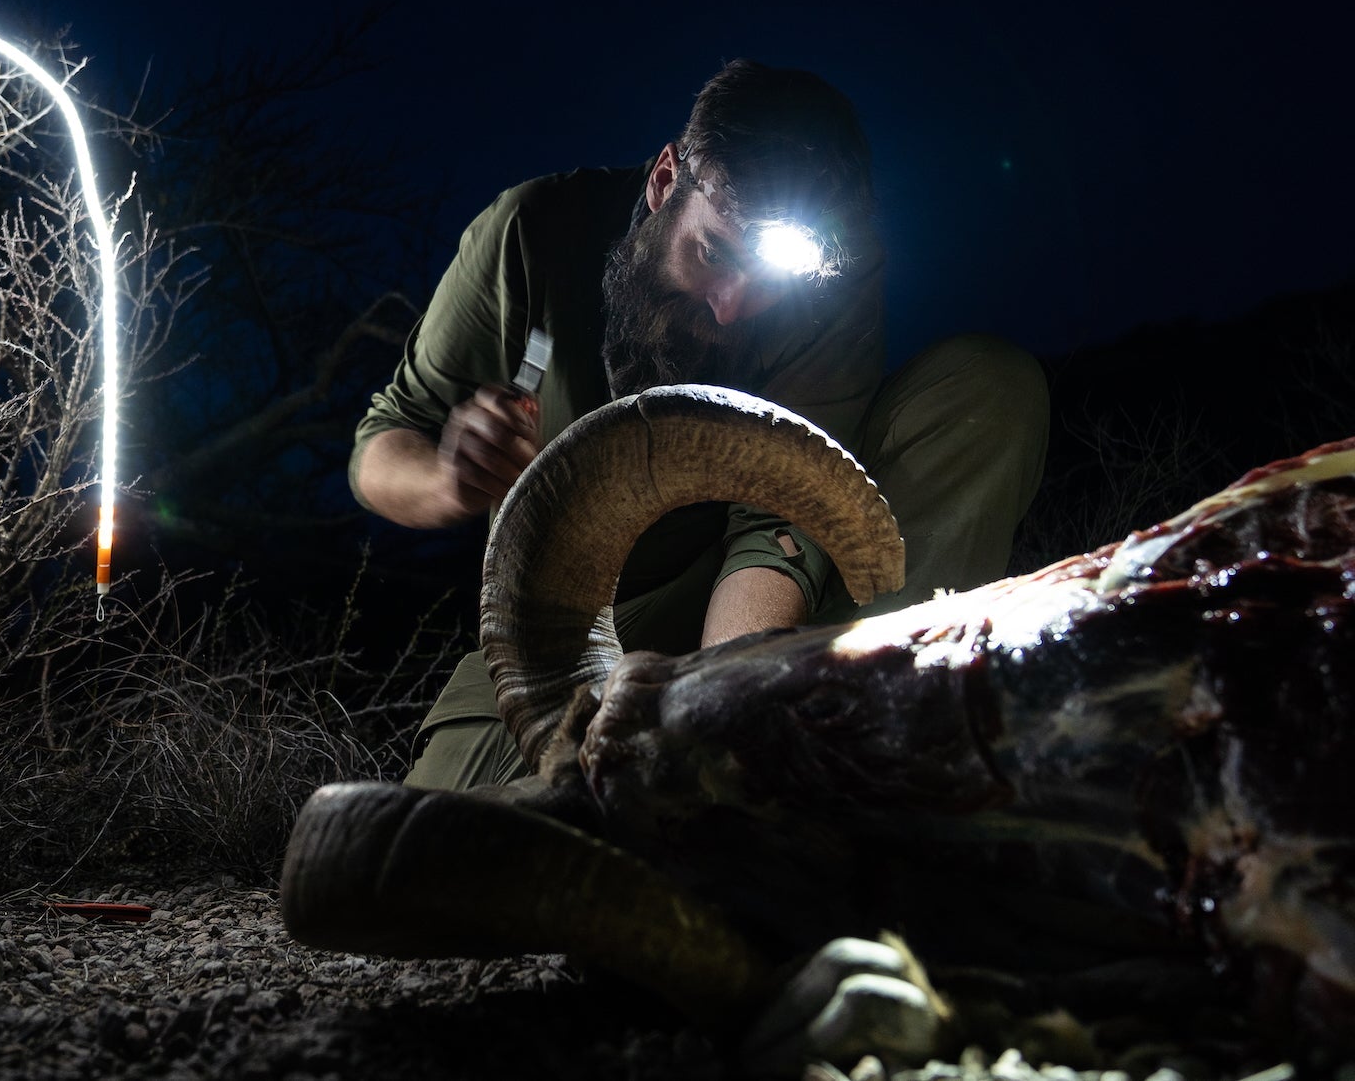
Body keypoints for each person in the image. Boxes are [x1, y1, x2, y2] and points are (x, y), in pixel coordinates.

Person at [350, 59, 1049, 790]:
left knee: (985, 386)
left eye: (769, 281)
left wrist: (718, 722)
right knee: (432, 840)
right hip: (555, 633)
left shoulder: (833, 279)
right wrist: (448, 478)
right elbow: (384, 441)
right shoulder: (533, 230)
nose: (732, 307)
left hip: (754, 602)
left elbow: (779, 523)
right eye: (714, 253)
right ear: (664, 181)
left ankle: (877, 755)